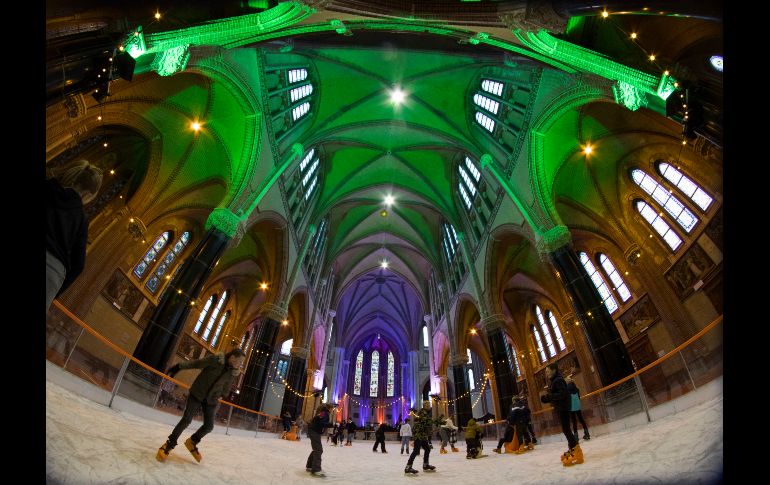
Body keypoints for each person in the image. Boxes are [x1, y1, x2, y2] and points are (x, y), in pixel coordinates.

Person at [156, 348, 246, 462]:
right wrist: (179, 367)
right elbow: (197, 363)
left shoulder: (232, 373)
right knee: (186, 419)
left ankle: (192, 441)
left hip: (211, 400)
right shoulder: (215, 360)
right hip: (197, 393)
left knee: (209, 426)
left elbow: (226, 388)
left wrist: (222, 394)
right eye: (240, 361)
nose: (240, 364)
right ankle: (169, 443)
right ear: (232, 357)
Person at [46, 159, 103, 312]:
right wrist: (54, 292)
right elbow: (78, 264)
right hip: (52, 273)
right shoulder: (81, 218)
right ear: (87, 194)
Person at [541, 363, 583, 466]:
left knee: (566, 429)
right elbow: (558, 394)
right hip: (562, 407)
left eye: (547, 371)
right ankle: (573, 448)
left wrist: (548, 397)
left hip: (563, 407)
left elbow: (562, 394)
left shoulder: (558, 380)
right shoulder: (556, 380)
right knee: (566, 429)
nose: (546, 373)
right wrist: (548, 398)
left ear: (554, 370)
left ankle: (577, 452)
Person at [404, 400, 436, 474]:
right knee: (416, 451)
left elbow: (425, 424)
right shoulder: (422, 413)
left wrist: (429, 431)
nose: (429, 407)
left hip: (423, 435)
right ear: (425, 406)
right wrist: (434, 422)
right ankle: (408, 467)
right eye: (428, 405)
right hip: (419, 434)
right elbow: (426, 422)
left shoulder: (426, 413)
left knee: (427, 449)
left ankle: (425, 464)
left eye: (429, 405)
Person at [306, 403, 332, 477]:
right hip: (314, 431)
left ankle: (310, 466)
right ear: (329, 408)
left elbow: (318, 421)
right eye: (332, 409)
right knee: (318, 450)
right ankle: (316, 469)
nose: (332, 410)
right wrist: (331, 424)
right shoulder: (325, 413)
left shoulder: (322, 412)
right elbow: (321, 423)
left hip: (314, 431)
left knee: (316, 449)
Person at [566, 375, 590, 441]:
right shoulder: (576, 388)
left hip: (571, 407)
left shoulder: (567, 389)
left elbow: (567, 399)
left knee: (574, 422)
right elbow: (579, 397)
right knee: (581, 419)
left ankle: (576, 437)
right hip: (577, 406)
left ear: (567, 382)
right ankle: (587, 434)